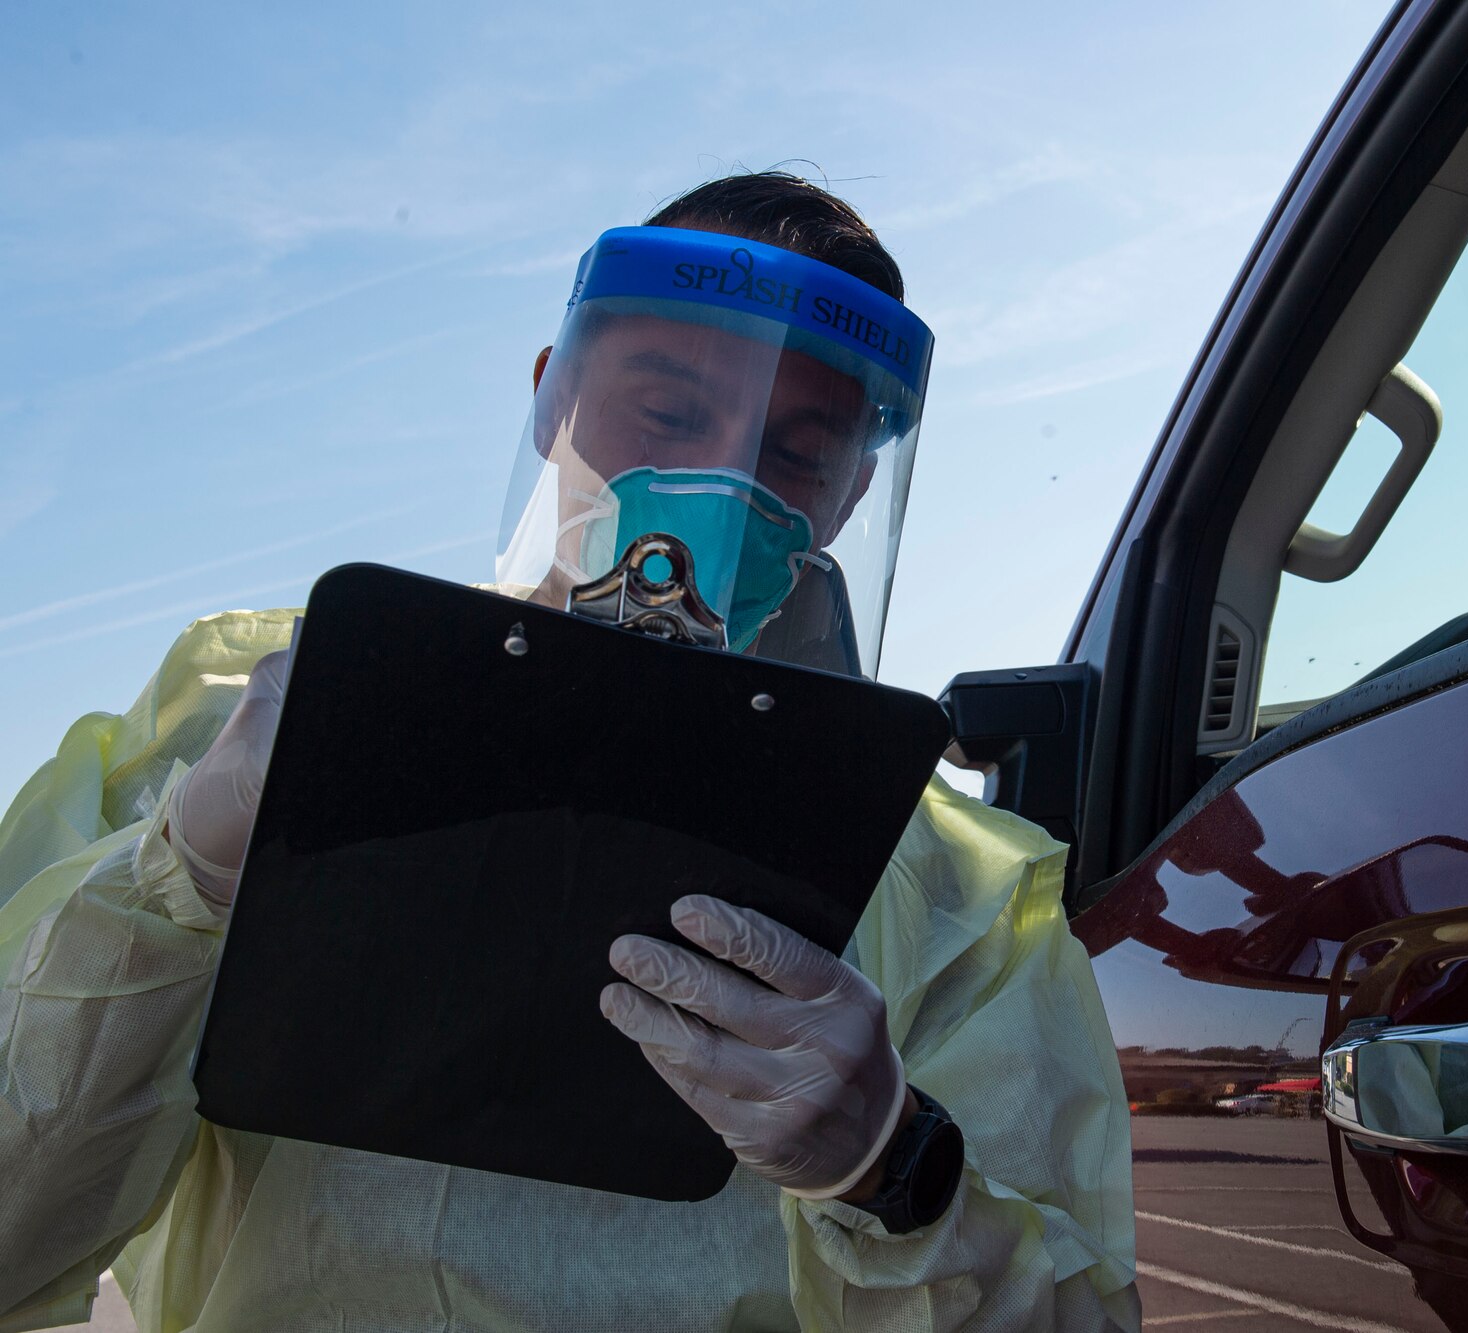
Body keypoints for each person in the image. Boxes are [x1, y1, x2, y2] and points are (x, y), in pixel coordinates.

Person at [0, 173, 1141, 1332]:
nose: (727, 484)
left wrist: (895, 1171)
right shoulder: (246, 722)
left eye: (801, 450)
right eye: (668, 412)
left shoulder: (958, 895)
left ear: (854, 490)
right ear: (551, 399)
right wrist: (177, 880)